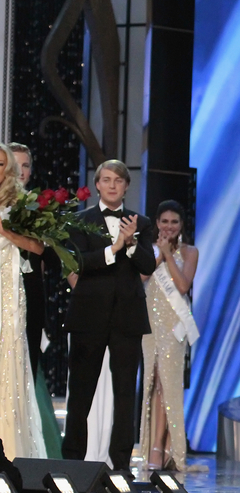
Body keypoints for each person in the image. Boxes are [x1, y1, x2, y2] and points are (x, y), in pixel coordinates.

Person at [61, 159, 156, 472]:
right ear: (97, 185)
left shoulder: (141, 223)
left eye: (118, 180)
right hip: (89, 315)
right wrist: (114, 248)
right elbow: (78, 263)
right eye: (106, 179)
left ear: (126, 185)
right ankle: (73, 461)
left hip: (127, 318)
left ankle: (122, 465)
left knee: (126, 393)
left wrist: (130, 246)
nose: (112, 185)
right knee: (80, 393)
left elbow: (147, 265)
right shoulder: (79, 221)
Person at [9, 142, 63, 459]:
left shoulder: (39, 209)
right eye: (13, 165)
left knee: (26, 366)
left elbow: (53, 261)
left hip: (29, 298)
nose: (20, 171)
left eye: (25, 166)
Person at [139, 200, 200, 472]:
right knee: (152, 383)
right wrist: (159, 254)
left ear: (181, 225)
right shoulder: (146, 250)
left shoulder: (190, 252)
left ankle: (164, 447)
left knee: (168, 384)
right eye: (164, 221)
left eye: (174, 222)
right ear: (157, 223)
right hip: (149, 323)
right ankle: (154, 445)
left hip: (174, 325)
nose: (169, 226)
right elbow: (141, 276)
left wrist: (167, 254)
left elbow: (183, 285)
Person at [0, 143, 46, 460]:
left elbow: (39, 248)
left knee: (9, 360)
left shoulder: (20, 202)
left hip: (8, 291)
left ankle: (10, 447)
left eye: (3, 163)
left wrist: (5, 231)